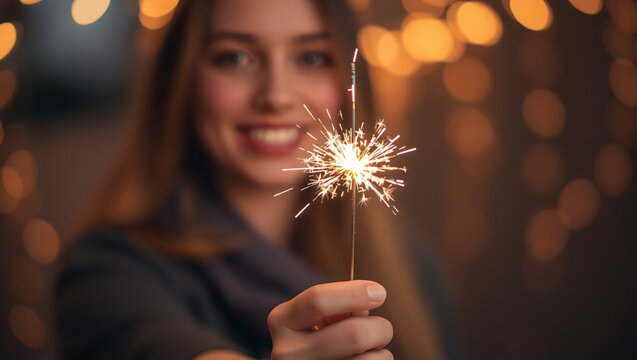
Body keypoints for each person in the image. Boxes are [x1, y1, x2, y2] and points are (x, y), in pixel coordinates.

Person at [54, 0, 462, 359]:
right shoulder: (108, 273)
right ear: (181, 81)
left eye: (312, 57)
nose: (276, 95)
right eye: (235, 57)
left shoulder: (410, 264)